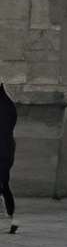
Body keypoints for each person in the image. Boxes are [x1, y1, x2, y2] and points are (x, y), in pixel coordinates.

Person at [0, 84, 16, 232]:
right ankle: (10, 218)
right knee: (4, 185)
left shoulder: (5, 106)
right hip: (5, 151)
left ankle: (8, 219)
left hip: (3, 151)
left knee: (3, 185)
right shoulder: (7, 104)